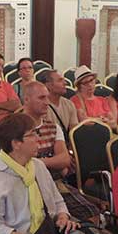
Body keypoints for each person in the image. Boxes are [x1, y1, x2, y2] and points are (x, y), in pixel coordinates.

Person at [21, 81, 103, 224]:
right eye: (41, 98)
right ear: (26, 99)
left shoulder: (53, 127)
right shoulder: (13, 128)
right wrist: (52, 162)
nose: (47, 102)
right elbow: (16, 163)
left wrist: (35, 162)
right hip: (25, 186)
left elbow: (64, 160)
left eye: (47, 97)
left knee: (93, 216)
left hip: (56, 184)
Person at [42, 70, 79, 140]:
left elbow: (74, 132)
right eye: (60, 80)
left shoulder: (69, 104)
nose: (65, 83)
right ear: (48, 85)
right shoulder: (41, 106)